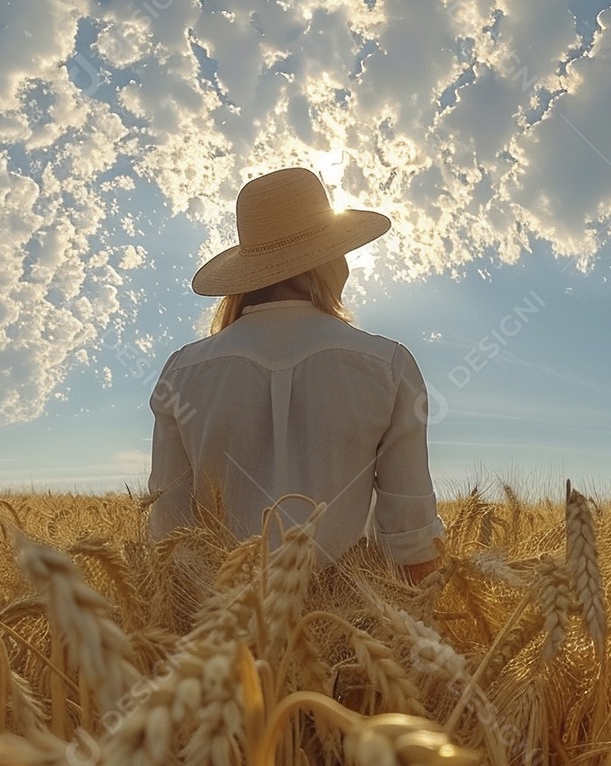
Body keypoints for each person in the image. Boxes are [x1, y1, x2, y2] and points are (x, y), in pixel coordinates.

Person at [147, 167, 444, 582]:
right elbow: (413, 546)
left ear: (245, 273)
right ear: (333, 262)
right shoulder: (387, 365)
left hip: (219, 618)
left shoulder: (182, 373)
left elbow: (170, 536)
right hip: (353, 618)